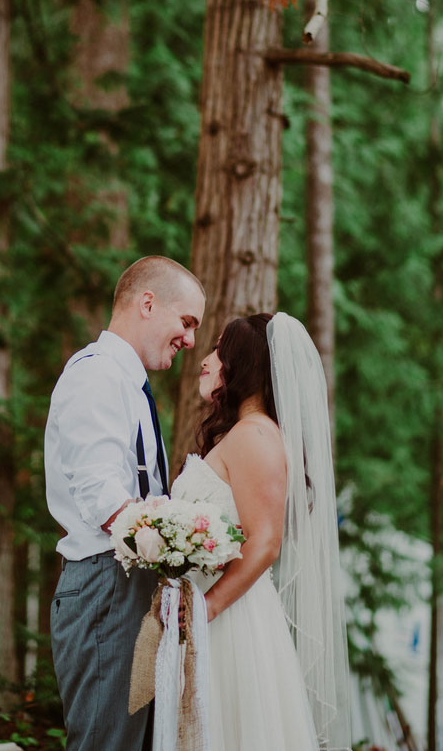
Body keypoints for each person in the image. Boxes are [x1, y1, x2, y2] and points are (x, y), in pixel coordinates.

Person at [45, 255, 206, 751]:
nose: (191, 341)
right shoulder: (96, 375)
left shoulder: (130, 385)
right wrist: (175, 547)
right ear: (148, 303)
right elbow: (103, 497)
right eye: (186, 322)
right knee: (105, 741)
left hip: (128, 584)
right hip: (103, 585)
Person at [171, 312, 351, 751]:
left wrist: (205, 610)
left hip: (231, 620)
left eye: (218, 350)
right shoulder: (239, 434)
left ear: (244, 364)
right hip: (212, 612)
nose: (206, 360)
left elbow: (265, 542)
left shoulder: (255, 436)